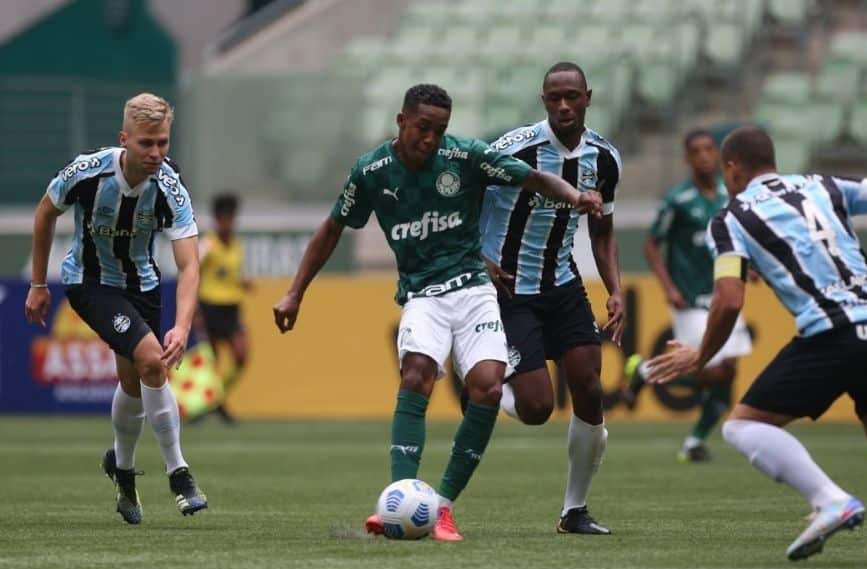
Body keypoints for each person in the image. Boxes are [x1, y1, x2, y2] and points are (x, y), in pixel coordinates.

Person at [645, 125, 867, 564]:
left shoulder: (731, 217)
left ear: (731, 168)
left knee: (743, 426)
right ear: (771, 160)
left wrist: (702, 353)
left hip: (836, 333)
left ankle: (829, 500)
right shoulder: (820, 185)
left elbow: (729, 297)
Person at [272, 84, 602, 542]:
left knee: (486, 390)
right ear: (401, 121)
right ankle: (396, 500)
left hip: (474, 291)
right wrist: (295, 293)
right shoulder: (371, 171)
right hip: (423, 295)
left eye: (440, 130)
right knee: (416, 375)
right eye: (423, 128)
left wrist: (575, 196)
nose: (430, 139)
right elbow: (331, 230)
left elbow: (532, 178)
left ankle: (441, 509)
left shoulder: (464, 157)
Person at [24, 93, 208, 524]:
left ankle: (122, 470)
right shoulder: (88, 172)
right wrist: (37, 284)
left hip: (143, 287)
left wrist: (182, 327)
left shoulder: (170, 188)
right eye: (147, 143)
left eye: (163, 142)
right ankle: (179, 473)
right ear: (124, 140)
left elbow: (190, 264)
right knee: (151, 361)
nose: (157, 153)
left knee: (134, 381)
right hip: (90, 284)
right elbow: (44, 214)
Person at [479, 62, 624, 535]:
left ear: (587, 97)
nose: (563, 105)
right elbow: (464, 197)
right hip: (509, 289)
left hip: (563, 285)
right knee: (538, 408)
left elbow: (602, 230)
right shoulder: (514, 149)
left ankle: (574, 511)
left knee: (589, 388)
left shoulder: (604, 159)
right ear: (544, 101)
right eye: (554, 98)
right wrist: (477, 256)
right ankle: (483, 384)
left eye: (572, 97)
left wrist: (616, 289)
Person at [623, 129, 752, 462]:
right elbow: (651, 244)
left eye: (710, 149)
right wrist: (669, 287)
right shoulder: (677, 200)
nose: (705, 156)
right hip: (691, 296)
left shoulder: (728, 193)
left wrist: (749, 268)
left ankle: (694, 441)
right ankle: (647, 370)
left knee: (729, 371)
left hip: (724, 291)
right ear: (687, 158)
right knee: (709, 369)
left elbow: (737, 237)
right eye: (697, 151)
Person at [195, 192, 252, 423]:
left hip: (231, 307)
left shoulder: (237, 244)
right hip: (209, 307)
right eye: (223, 218)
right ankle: (205, 405)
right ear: (217, 219)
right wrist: (195, 310)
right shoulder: (207, 244)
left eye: (231, 217)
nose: (227, 222)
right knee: (212, 361)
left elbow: (228, 274)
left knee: (241, 355)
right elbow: (193, 273)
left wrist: (241, 283)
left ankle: (218, 399)